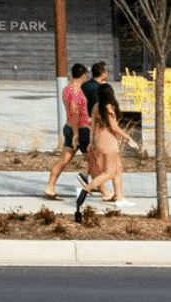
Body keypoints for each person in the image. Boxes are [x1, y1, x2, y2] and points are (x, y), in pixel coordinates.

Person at [42, 63, 90, 200]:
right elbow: (75, 112)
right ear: (83, 75)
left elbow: (73, 112)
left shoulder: (66, 89)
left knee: (65, 159)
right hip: (78, 130)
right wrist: (76, 133)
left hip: (69, 126)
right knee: (93, 160)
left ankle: (50, 186)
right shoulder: (76, 91)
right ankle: (103, 190)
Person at [89, 81, 135, 208]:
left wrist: (91, 142)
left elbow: (93, 126)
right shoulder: (109, 108)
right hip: (109, 141)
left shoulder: (96, 107)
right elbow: (114, 127)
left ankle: (119, 198)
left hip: (99, 140)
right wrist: (128, 137)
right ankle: (86, 189)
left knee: (118, 169)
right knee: (110, 172)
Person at [81, 61, 108, 186]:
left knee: (93, 153)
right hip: (94, 123)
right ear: (102, 73)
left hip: (83, 121)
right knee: (98, 153)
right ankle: (87, 176)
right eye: (106, 71)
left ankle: (88, 177)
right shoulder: (98, 88)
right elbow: (98, 106)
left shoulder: (85, 85)